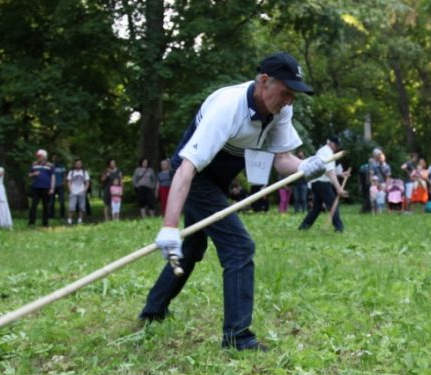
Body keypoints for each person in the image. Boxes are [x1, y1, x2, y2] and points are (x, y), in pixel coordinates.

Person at [139, 51, 327, 351]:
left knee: (193, 246)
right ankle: (237, 338)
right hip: (194, 177)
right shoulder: (227, 107)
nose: (289, 101)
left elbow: (282, 160)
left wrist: (305, 166)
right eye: (285, 92)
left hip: (219, 180)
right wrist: (169, 226)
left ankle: (153, 311)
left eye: (293, 95)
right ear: (264, 81)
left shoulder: (280, 110)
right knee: (239, 246)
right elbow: (186, 168)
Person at [298, 136, 349, 232]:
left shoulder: (323, 151)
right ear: (331, 143)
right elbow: (330, 172)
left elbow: (326, 170)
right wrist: (339, 189)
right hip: (322, 183)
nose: (337, 148)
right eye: (336, 145)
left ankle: (304, 226)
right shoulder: (327, 153)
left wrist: (340, 174)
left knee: (316, 208)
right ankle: (339, 228)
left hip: (316, 182)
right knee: (333, 204)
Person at [28, 149, 55, 227]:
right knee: (33, 205)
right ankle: (31, 222)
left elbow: (53, 177)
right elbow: (29, 175)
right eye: (38, 156)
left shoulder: (50, 165)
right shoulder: (34, 164)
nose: (38, 157)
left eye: (40, 156)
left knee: (46, 206)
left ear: (44, 157)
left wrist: (52, 188)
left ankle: (45, 223)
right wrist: (34, 174)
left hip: (46, 188)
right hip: (36, 187)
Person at [66, 158, 90, 225]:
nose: (78, 165)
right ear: (74, 164)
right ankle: (69, 220)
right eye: (77, 164)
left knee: (81, 207)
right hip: (73, 191)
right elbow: (69, 181)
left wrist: (85, 190)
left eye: (79, 163)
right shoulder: (71, 172)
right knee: (71, 206)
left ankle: (80, 220)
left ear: (81, 164)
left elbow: (87, 182)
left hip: (81, 191)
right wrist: (70, 190)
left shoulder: (84, 172)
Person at [50, 154, 66, 219]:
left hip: (60, 186)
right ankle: (51, 216)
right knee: (51, 202)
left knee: (62, 201)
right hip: (52, 186)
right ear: (52, 159)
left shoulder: (62, 166)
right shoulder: (50, 166)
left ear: (58, 159)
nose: (55, 159)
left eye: (56, 158)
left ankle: (62, 215)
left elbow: (64, 175)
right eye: (54, 158)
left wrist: (63, 182)